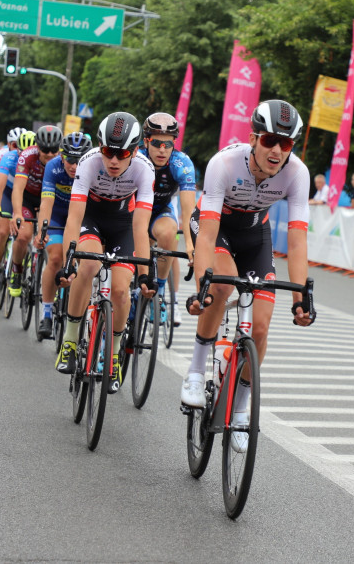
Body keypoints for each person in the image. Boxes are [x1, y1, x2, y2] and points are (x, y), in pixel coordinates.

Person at [181, 100, 315, 452]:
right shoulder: (223, 164)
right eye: (270, 140)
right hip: (216, 227)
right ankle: (196, 371)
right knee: (222, 283)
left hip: (256, 235)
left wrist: (301, 298)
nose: (276, 150)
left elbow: (298, 242)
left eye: (285, 144)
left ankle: (241, 409)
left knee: (260, 327)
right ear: (254, 137)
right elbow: (207, 235)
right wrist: (202, 288)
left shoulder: (297, 174)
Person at [55, 112, 156, 393]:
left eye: (122, 154)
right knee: (87, 268)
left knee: (122, 291)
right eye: (108, 152)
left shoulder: (144, 169)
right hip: (92, 217)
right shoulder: (88, 163)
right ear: (100, 147)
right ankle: (71, 340)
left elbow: (140, 226)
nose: (113, 160)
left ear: (134, 151)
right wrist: (69, 263)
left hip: (124, 222)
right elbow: (74, 219)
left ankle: (112, 354)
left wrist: (146, 273)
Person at [137, 112, 197, 328]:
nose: (162, 150)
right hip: (132, 211)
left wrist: (191, 245)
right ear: (146, 141)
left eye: (168, 144)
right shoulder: (136, 158)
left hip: (160, 210)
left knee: (170, 232)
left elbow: (188, 211)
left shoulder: (182, 163)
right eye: (156, 143)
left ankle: (160, 291)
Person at [35, 132, 93, 338]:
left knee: (84, 261)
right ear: (61, 156)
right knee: (57, 258)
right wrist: (42, 230)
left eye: (79, 160)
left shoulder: (93, 170)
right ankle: (47, 313)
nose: (74, 166)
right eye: (69, 159)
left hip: (82, 218)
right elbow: (46, 202)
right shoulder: (53, 167)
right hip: (58, 217)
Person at [7, 125, 62, 297]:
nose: (50, 154)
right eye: (45, 150)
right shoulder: (27, 156)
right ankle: (16, 270)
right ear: (37, 146)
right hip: (28, 198)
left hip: (51, 199)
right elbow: (17, 188)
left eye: (54, 150)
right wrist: (16, 213)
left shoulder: (63, 158)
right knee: (23, 235)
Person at [0, 128, 28, 297]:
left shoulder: (30, 157)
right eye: (15, 145)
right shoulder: (2, 155)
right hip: (7, 193)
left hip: (24, 194)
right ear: (9, 144)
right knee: (1, 231)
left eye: (20, 146)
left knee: (25, 233)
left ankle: (21, 262)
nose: (18, 150)